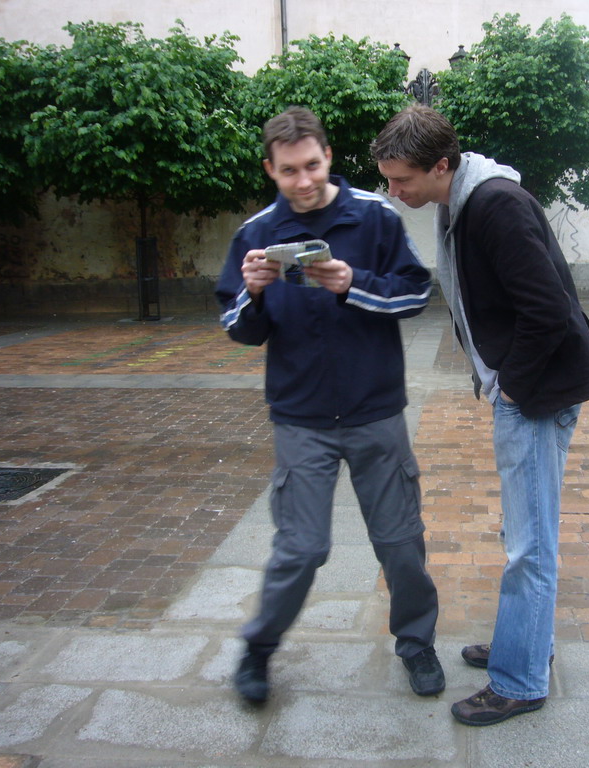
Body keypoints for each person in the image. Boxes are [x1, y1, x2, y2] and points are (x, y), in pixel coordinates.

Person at [371, 105, 589, 726]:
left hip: (537, 393)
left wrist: (511, 387)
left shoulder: (494, 205)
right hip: (530, 388)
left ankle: (520, 680)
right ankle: (523, 644)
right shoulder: (464, 199)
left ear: (441, 166)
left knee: (529, 545)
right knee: (524, 533)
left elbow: (549, 310)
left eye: (402, 181)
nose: (394, 192)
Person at [215, 106, 443, 705]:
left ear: (328, 158)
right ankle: (258, 649)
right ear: (272, 169)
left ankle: (417, 643)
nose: (304, 180)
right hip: (301, 420)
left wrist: (353, 284)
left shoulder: (374, 217)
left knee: (400, 542)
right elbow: (236, 326)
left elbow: (417, 291)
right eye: (289, 170)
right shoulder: (257, 232)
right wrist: (255, 294)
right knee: (302, 547)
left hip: (375, 413)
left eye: (312, 164)